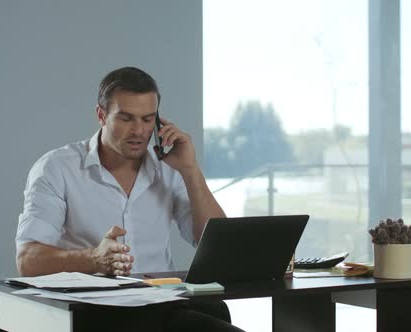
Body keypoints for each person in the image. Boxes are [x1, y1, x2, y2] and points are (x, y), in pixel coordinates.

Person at [15, 66, 245, 332]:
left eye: (148, 120)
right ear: (101, 116)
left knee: (216, 309)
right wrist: (94, 259)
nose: (138, 131)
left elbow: (213, 244)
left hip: (162, 303)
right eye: (126, 119)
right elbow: (28, 260)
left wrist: (190, 170)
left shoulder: (170, 168)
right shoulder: (57, 168)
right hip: (93, 309)